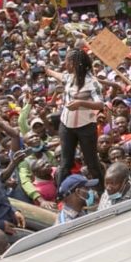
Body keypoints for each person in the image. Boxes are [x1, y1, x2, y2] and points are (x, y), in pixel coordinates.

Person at [46, 49, 104, 190]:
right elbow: (57, 74)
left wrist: (80, 103)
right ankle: (61, 195)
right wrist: (46, 70)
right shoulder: (68, 78)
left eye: (67, 61)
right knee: (65, 163)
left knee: (92, 163)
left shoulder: (92, 83)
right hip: (66, 126)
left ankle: (103, 192)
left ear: (75, 63)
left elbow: (100, 104)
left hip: (86, 127)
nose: (65, 63)